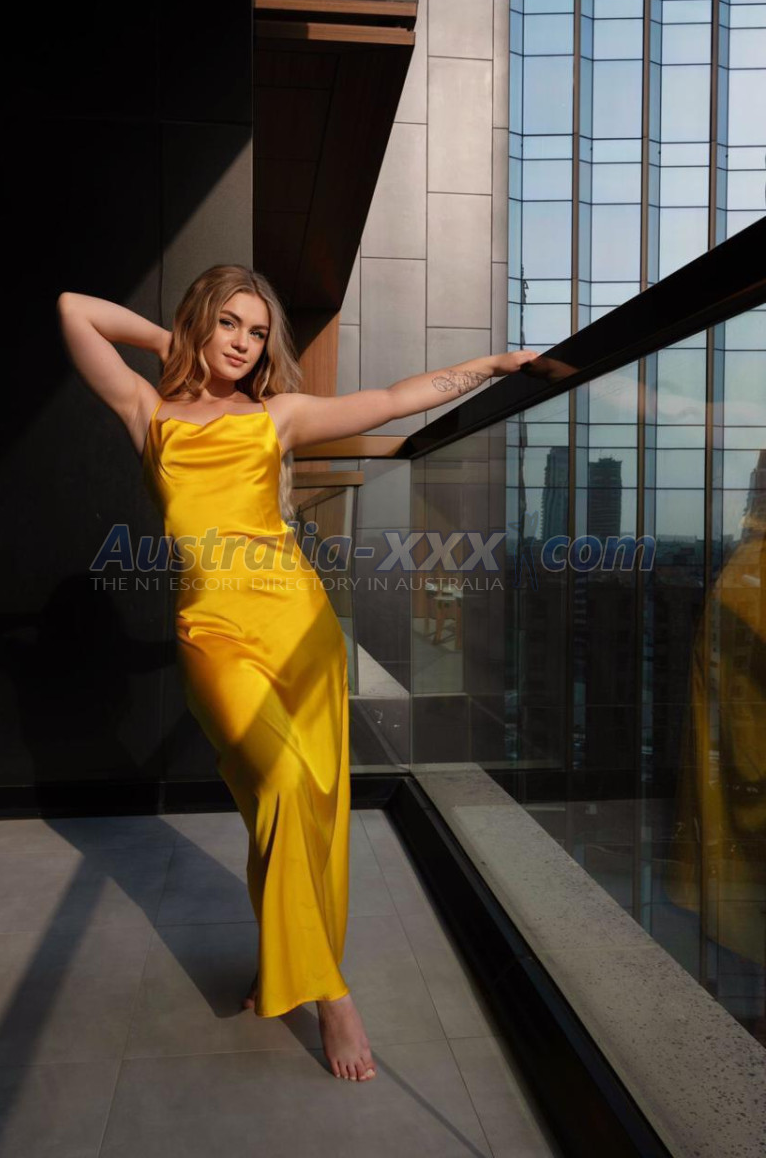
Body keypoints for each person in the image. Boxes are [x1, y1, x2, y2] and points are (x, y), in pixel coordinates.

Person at [57, 264, 539, 1083]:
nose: (244, 344)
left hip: (301, 625)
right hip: (213, 633)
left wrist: (490, 366)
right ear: (200, 323)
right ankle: (331, 993)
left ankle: (286, 963)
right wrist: (175, 345)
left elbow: (391, 400)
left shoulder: (276, 416)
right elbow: (76, 308)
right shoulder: (149, 412)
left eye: (256, 332)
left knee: (307, 810)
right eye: (229, 324)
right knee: (280, 784)